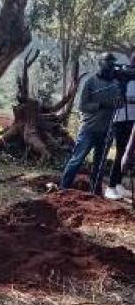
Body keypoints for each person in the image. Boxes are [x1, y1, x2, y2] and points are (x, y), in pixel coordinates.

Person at [60, 53, 122, 193]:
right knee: (77, 159)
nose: (111, 66)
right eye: (108, 62)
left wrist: (118, 103)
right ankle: (63, 188)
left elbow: (120, 103)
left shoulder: (117, 84)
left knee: (99, 164)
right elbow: (83, 106)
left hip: (107, 130)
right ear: (101, 63)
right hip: (89, 128)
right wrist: (100, 105)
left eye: (112, 63)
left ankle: (95, 192)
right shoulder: (91, 82)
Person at [105, 51, 135, 200]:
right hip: (122, 119)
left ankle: (119, 184)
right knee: (121, 152)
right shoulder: (123, 73)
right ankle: (110, 186)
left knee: (130, 154)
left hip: (133, 120)